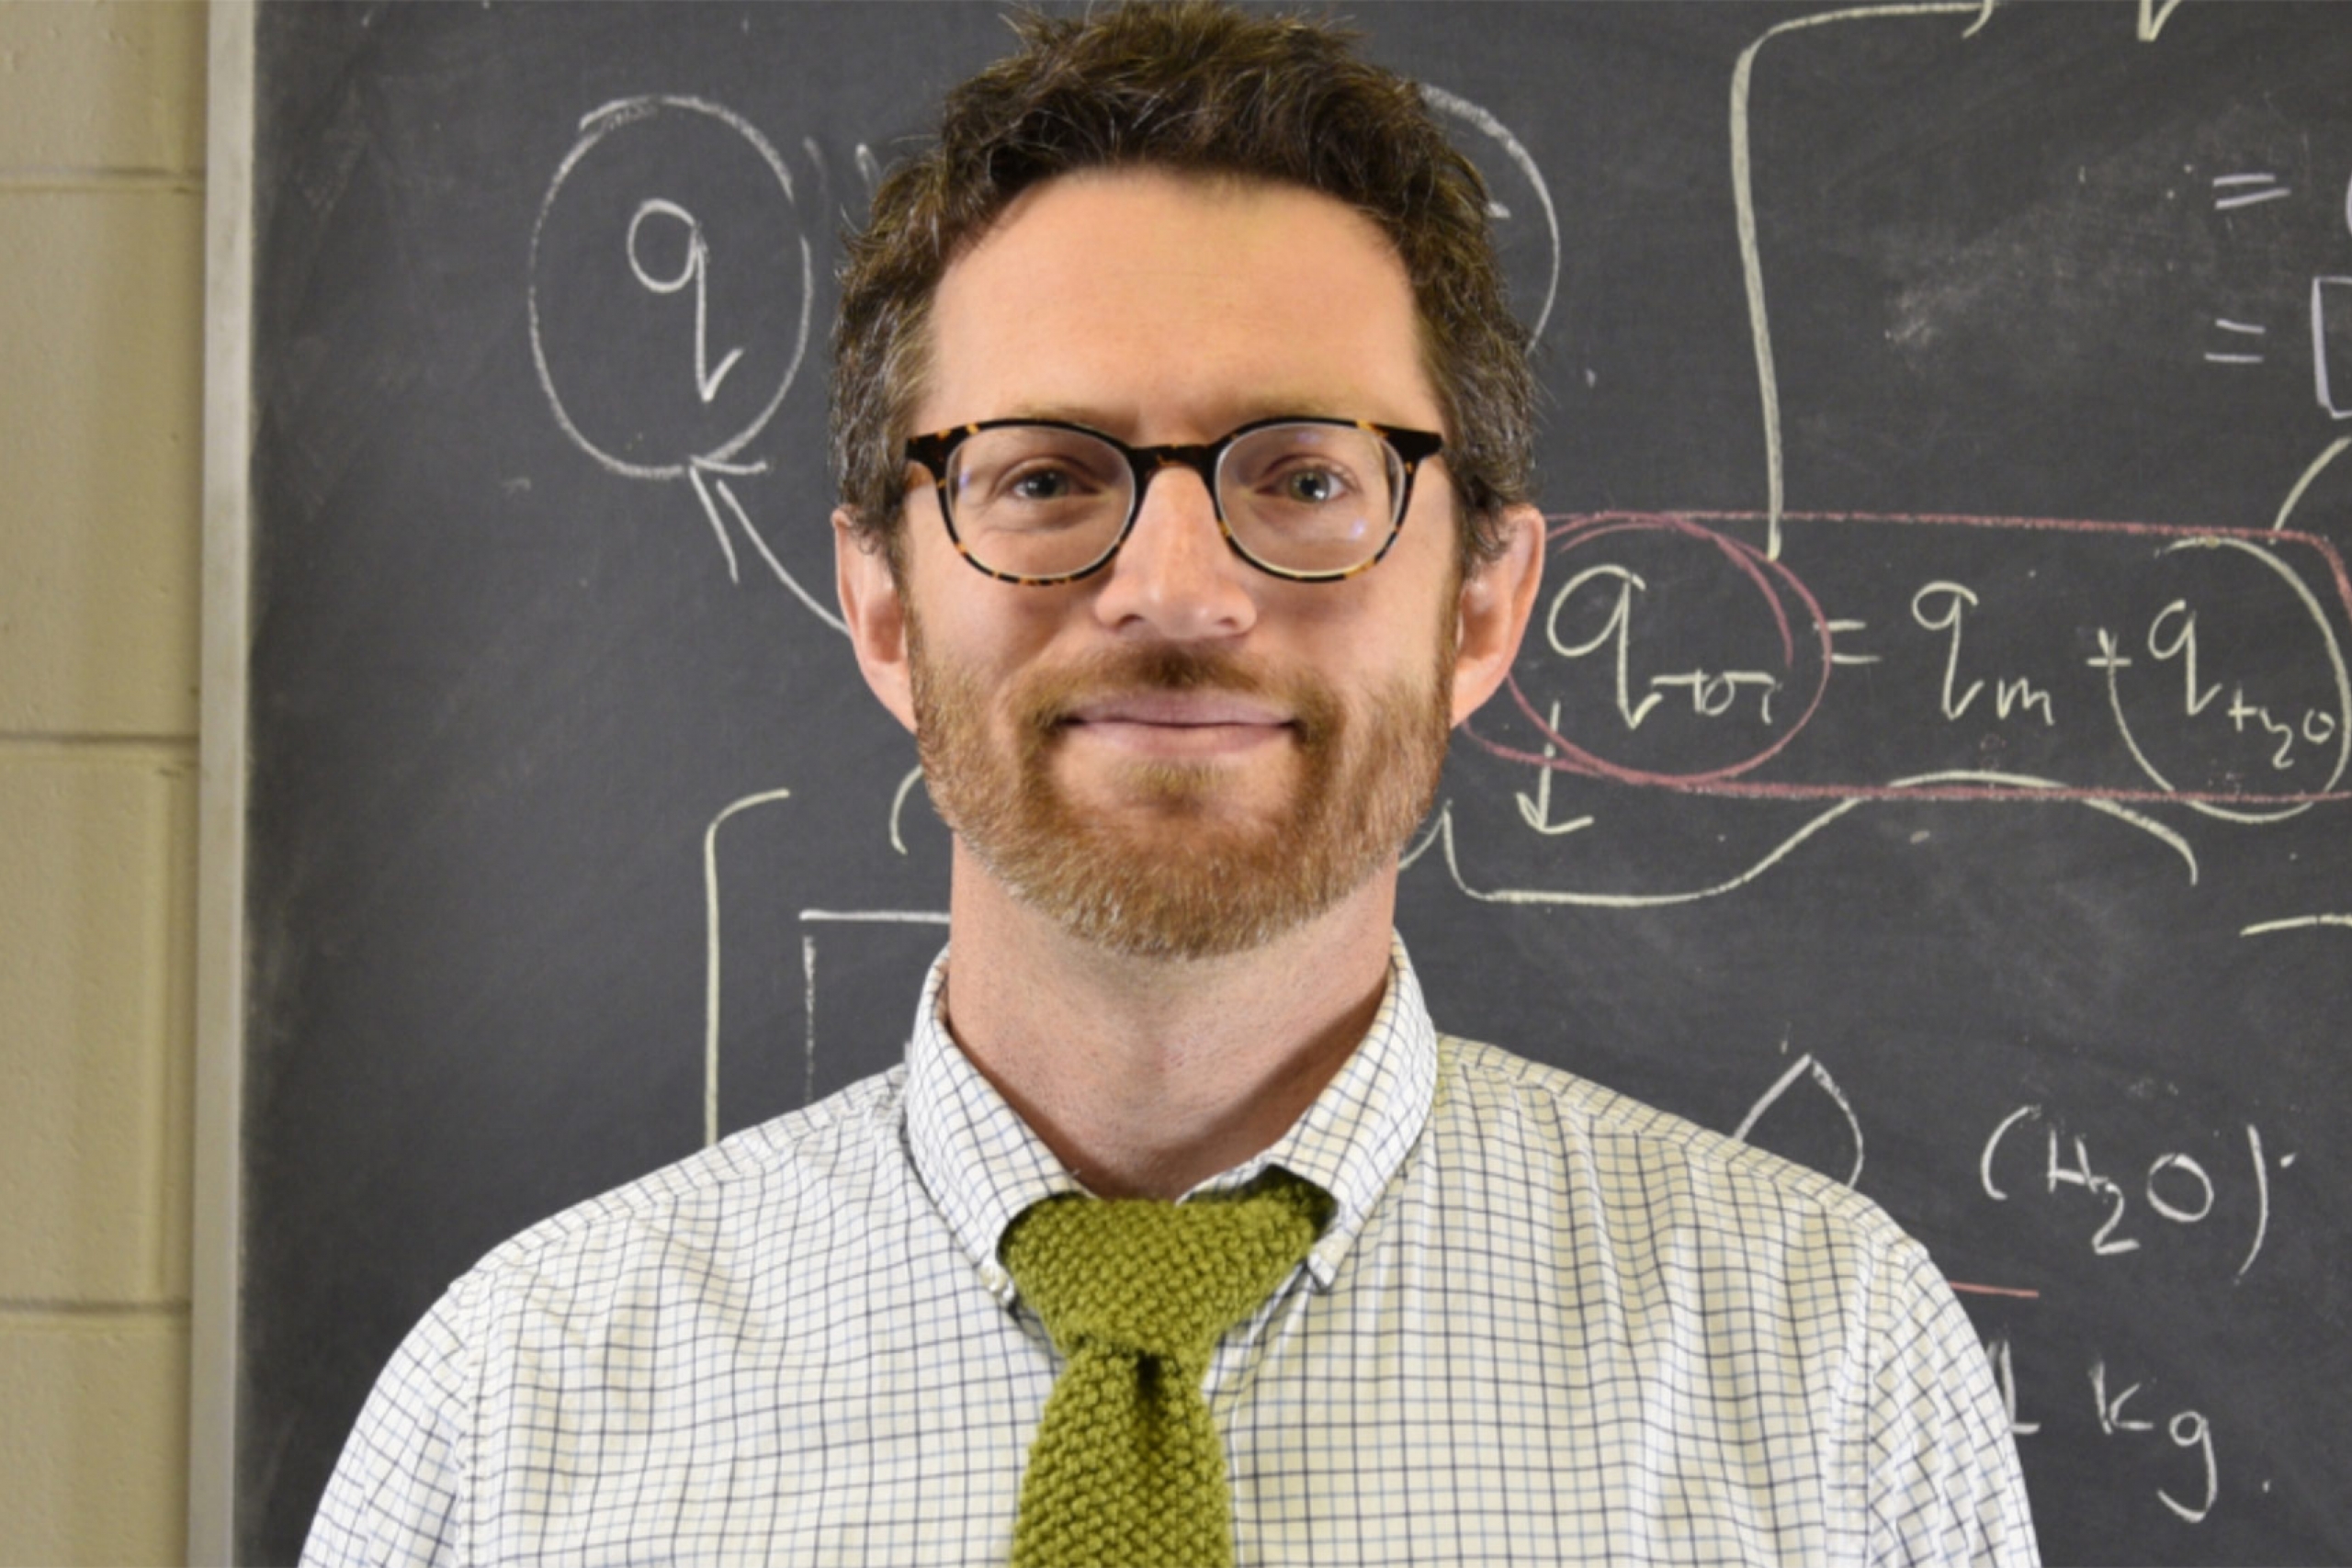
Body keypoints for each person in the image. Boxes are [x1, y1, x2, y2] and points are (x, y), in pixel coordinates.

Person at [306, 4, 2038, 1563]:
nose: (1181, 587)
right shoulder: (514, 1418)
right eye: (1050, 476)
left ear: (1486, 606)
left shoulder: (1833, 1382)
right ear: (888, 606)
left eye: (1303, 476)